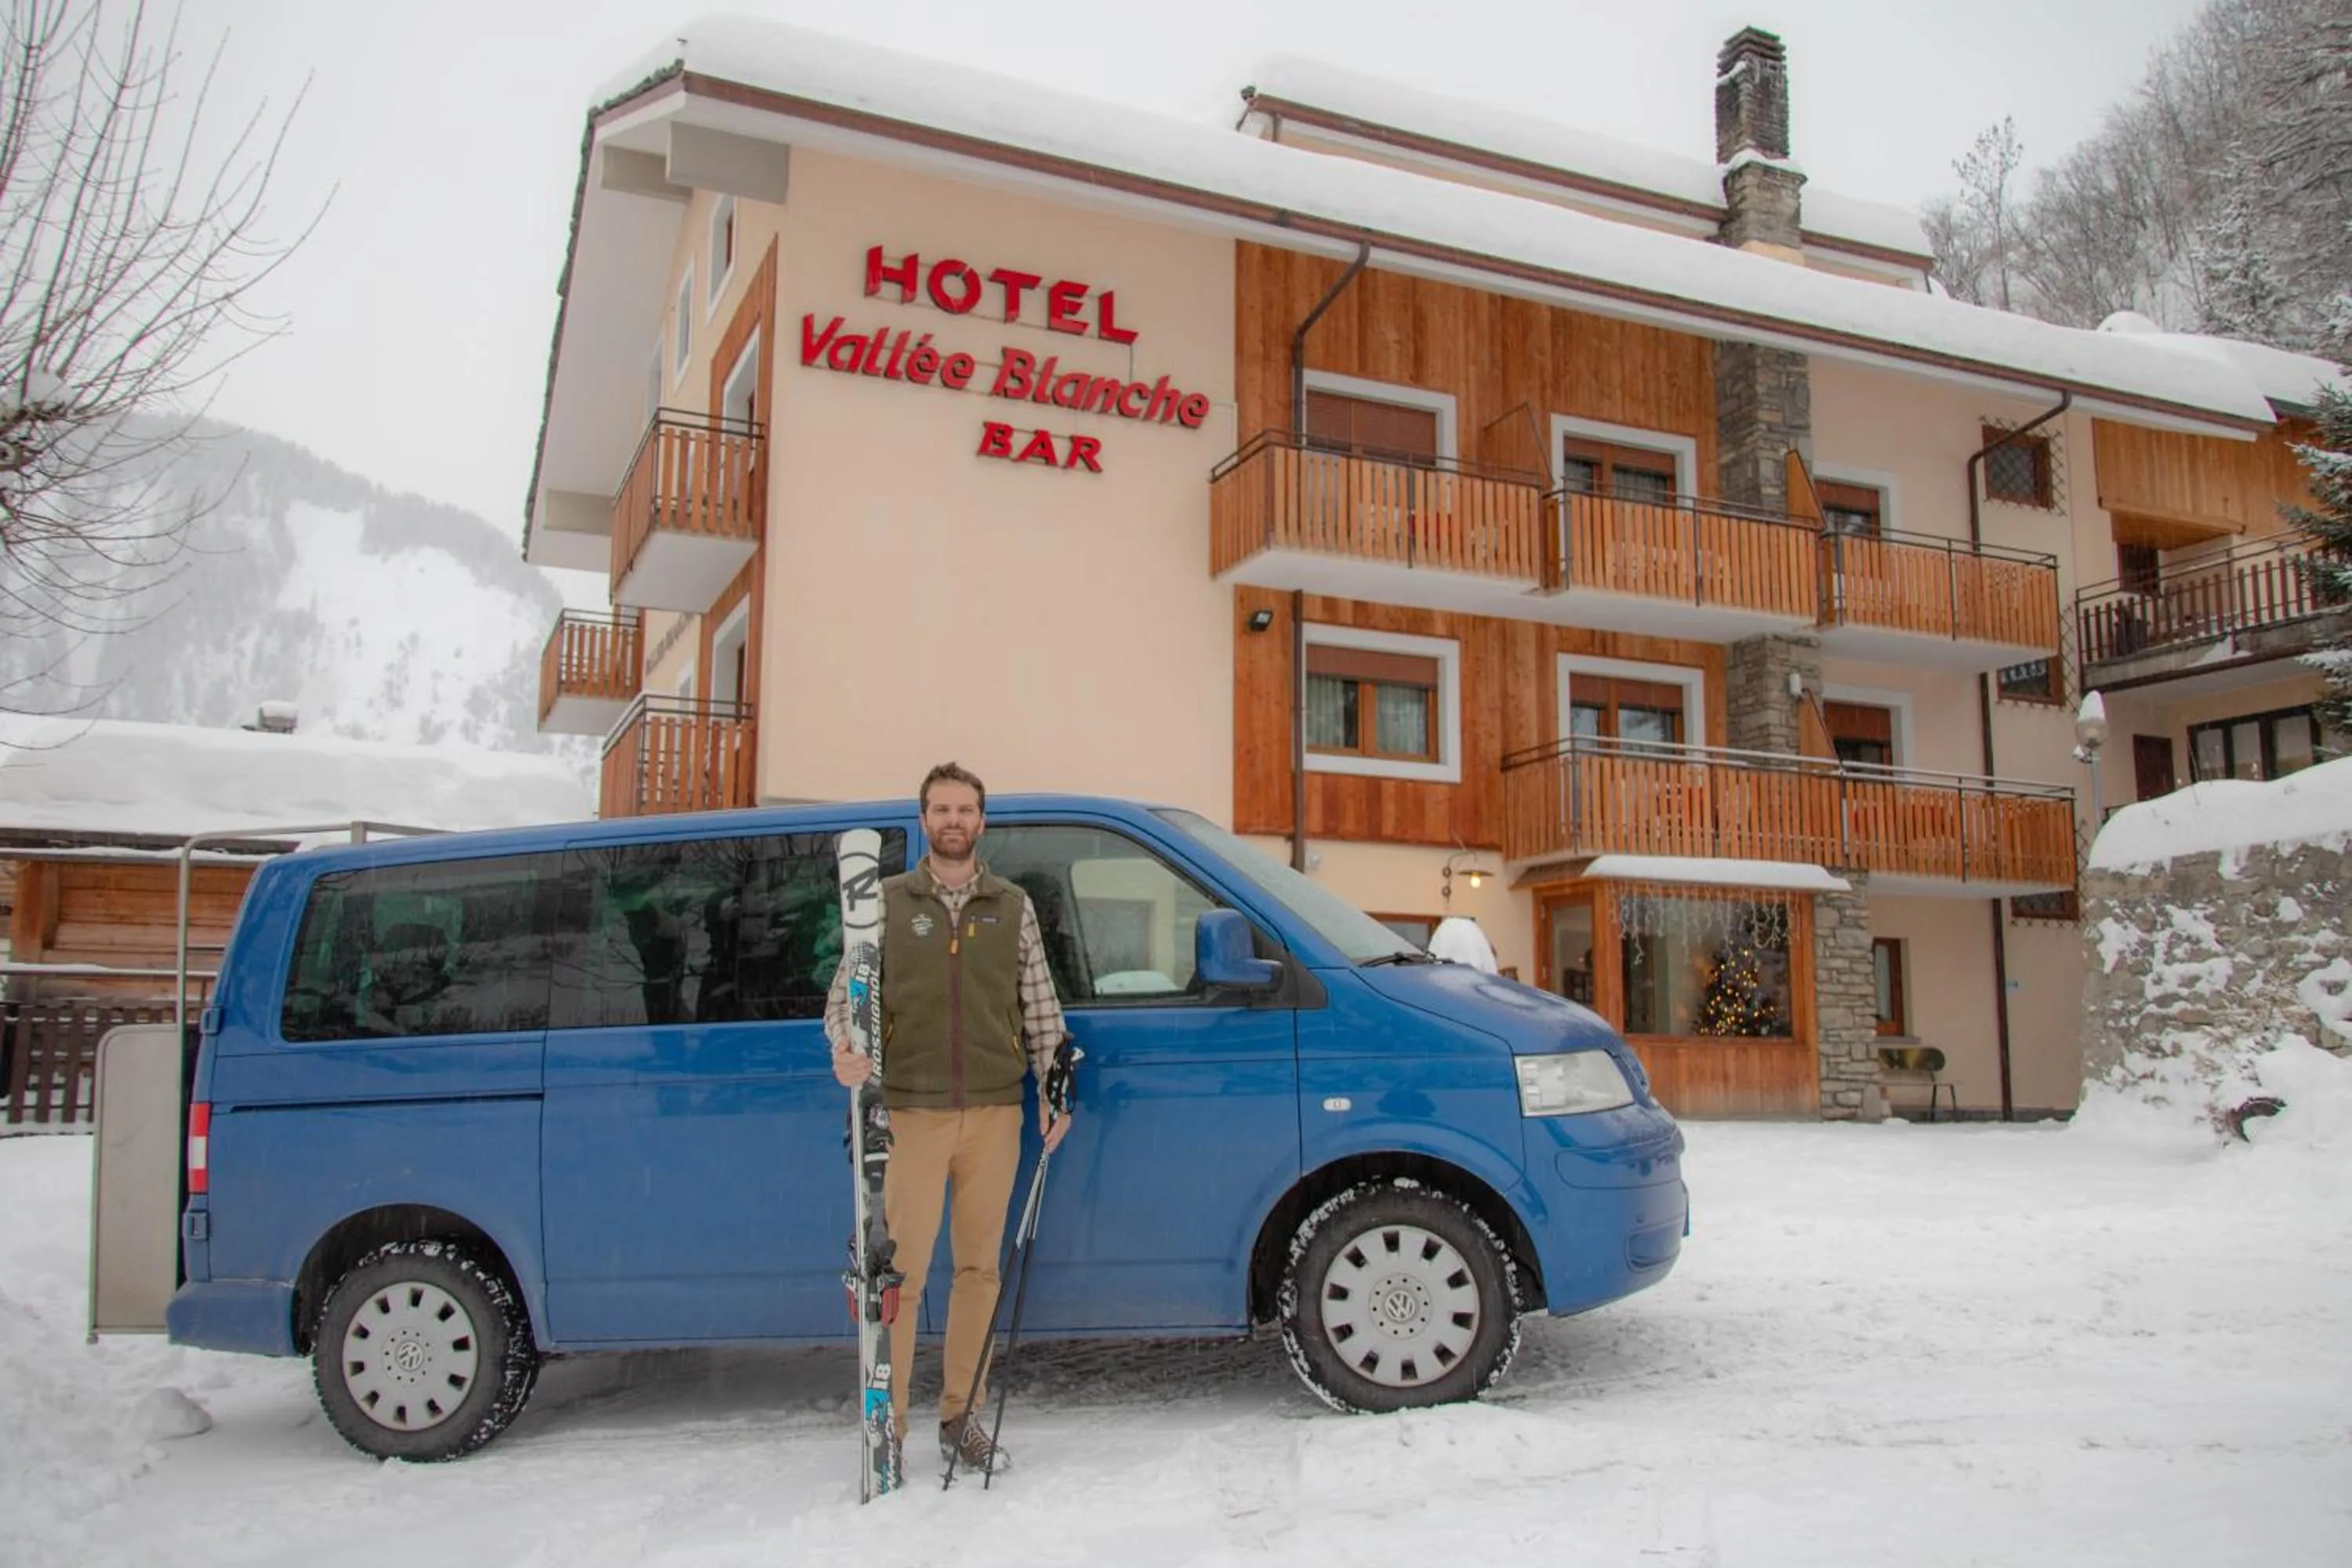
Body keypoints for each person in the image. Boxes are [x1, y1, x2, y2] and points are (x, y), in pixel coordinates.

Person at [825, 760, 1074, 1477]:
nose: (954, 821)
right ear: (924, 820)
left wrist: (1053, 1091)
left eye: (965, 810)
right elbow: (843, 1001)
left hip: (995, 1113)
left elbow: (1040, 1007)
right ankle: (890, 1428)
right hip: (911, 1113)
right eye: (941, 810)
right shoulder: (886, 903)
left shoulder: (1012, 906)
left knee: (979, 1271)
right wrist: (846, 1050)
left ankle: (961, 1416)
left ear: (981, 821)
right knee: (898, 1273)